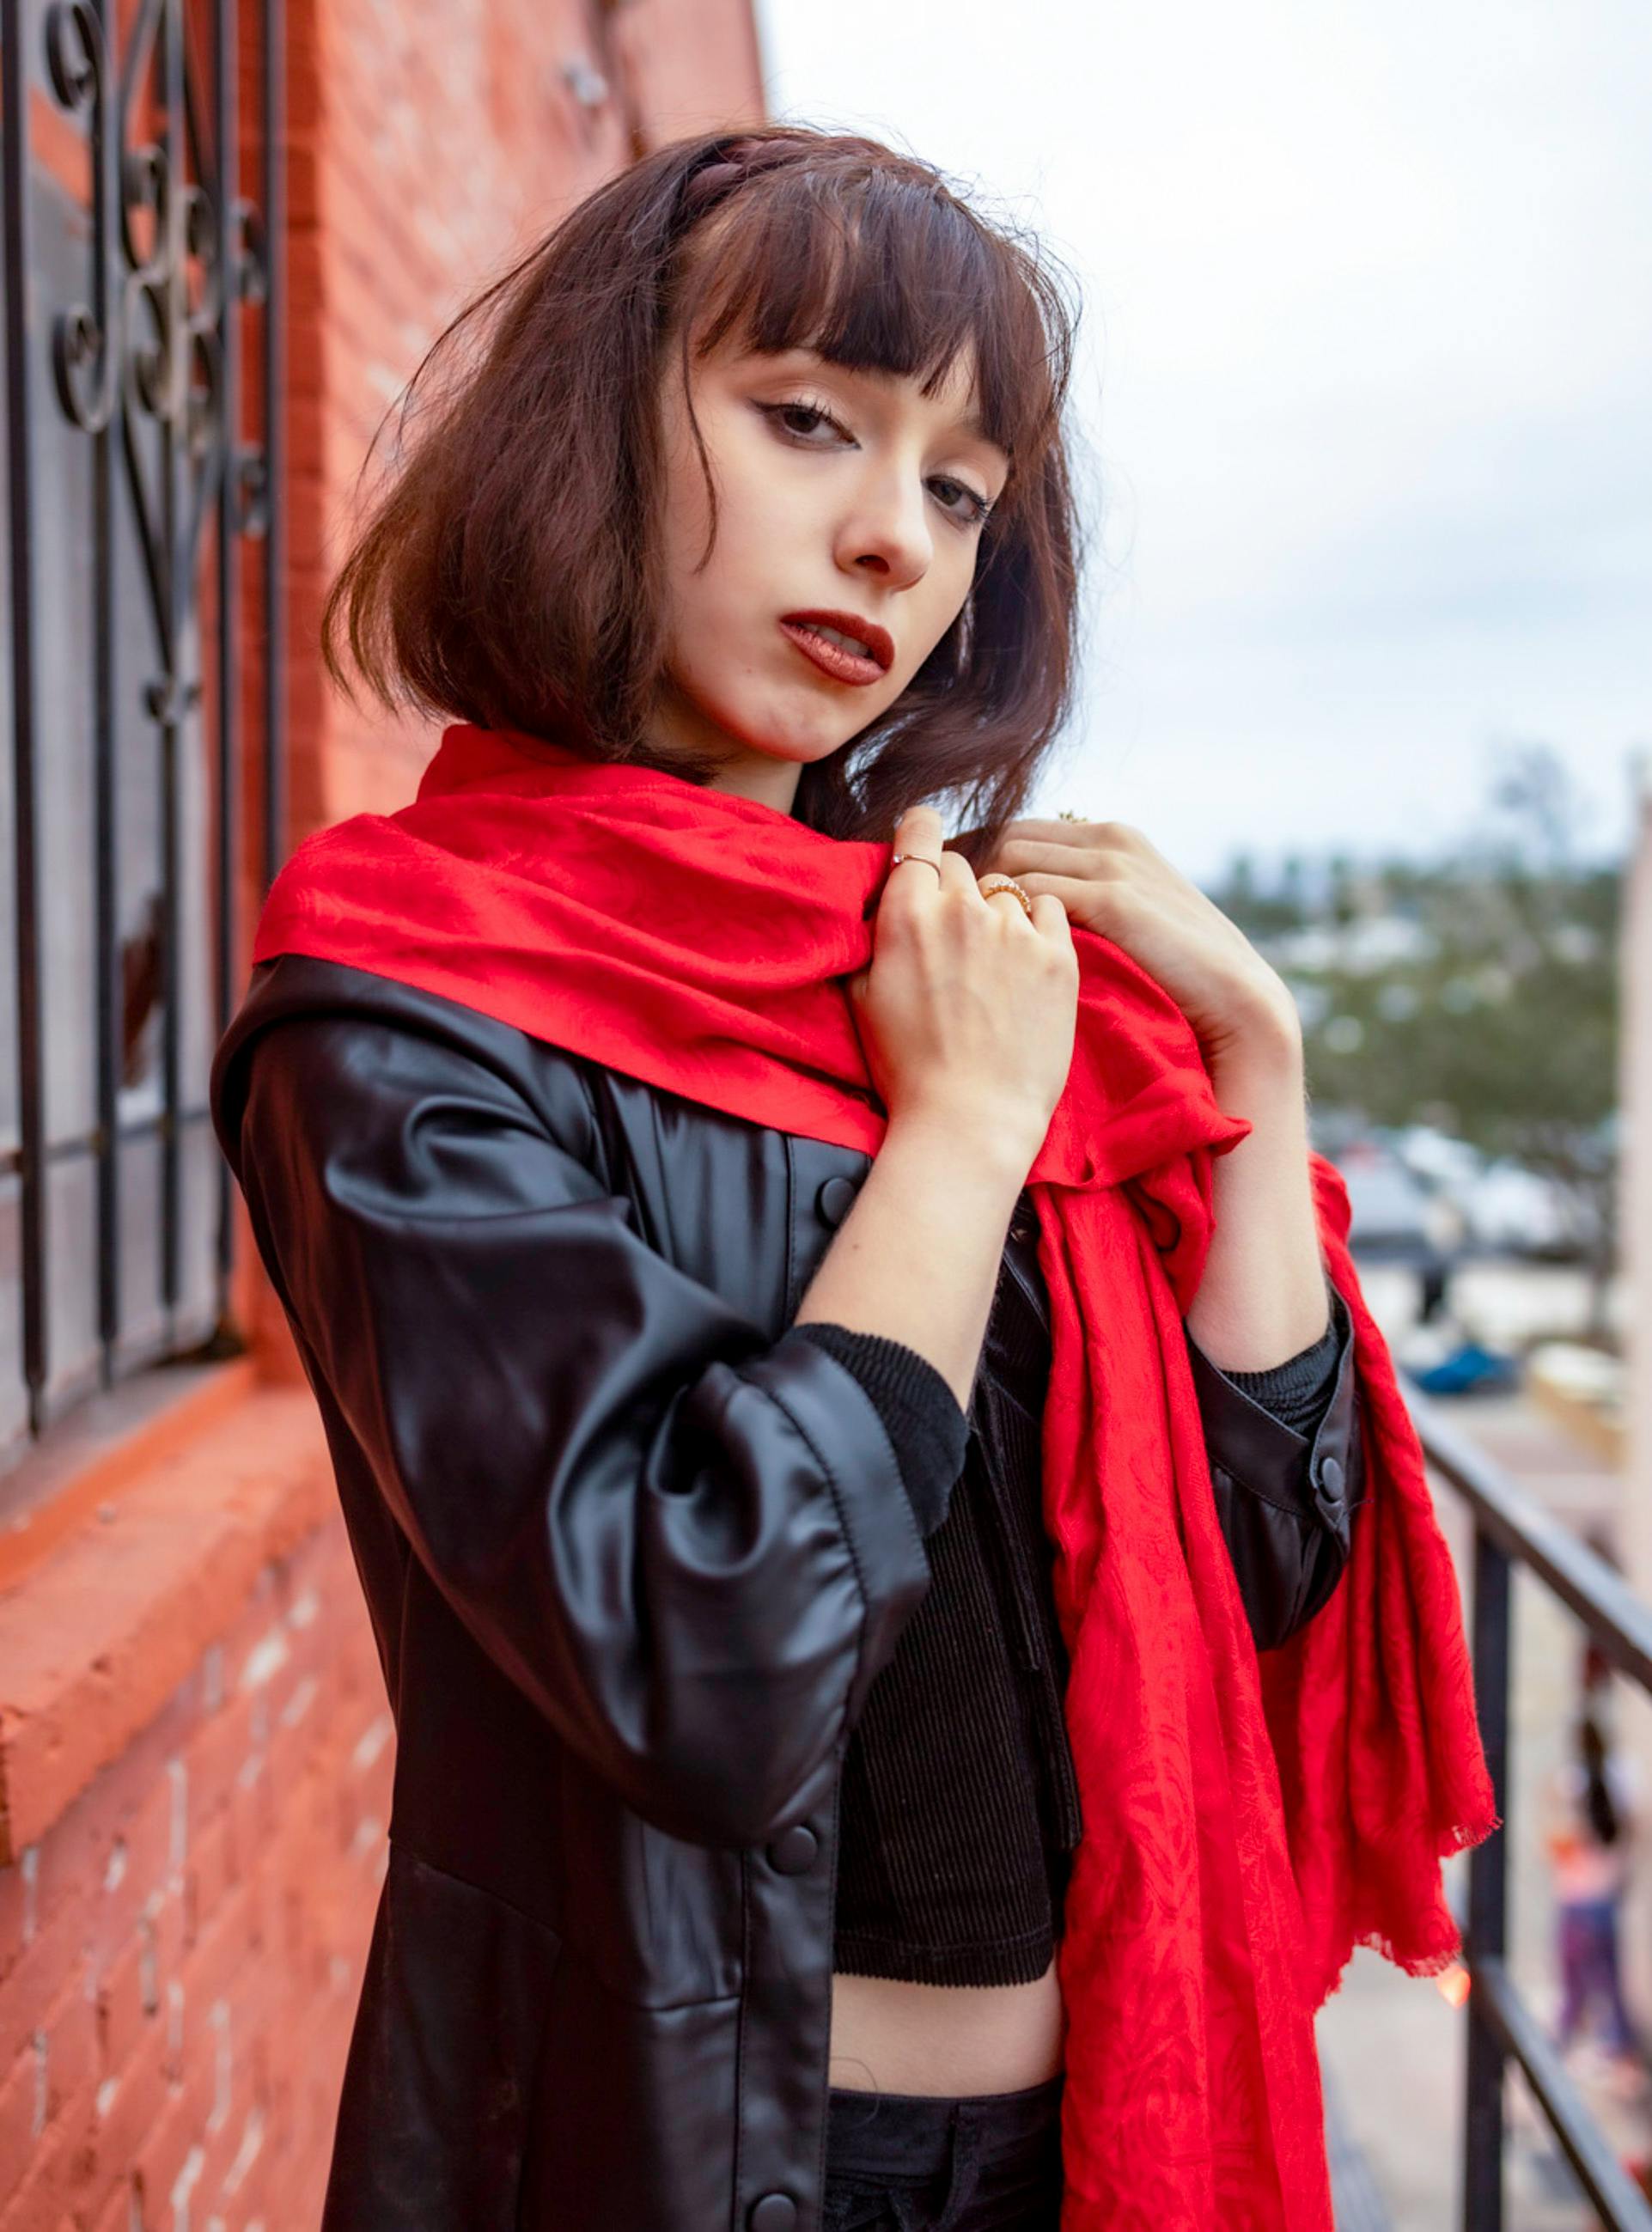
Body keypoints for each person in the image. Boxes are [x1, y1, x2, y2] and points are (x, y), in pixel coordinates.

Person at [209, 127, 1494, 2232]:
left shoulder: (952, 962)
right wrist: (962, 1139)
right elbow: (700, 1648)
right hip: (714, 2155)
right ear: (596, 435)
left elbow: (1247, 1575)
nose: (891, 540)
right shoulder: (405, 1004)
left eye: (957, 487)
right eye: (805, 420)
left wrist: (1250, 1069)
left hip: (1096, 2139)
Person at [1545, 1707, 1643, 2081]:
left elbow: (1557, 1844)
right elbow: (1632, 1835)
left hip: (1577, 1900)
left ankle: (1557, 2055)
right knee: (1609, 1983)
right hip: (1606, 1900)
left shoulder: (1572, 1786)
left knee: (1573, 1988)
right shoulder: (1621, 1781)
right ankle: (1620, 2050)